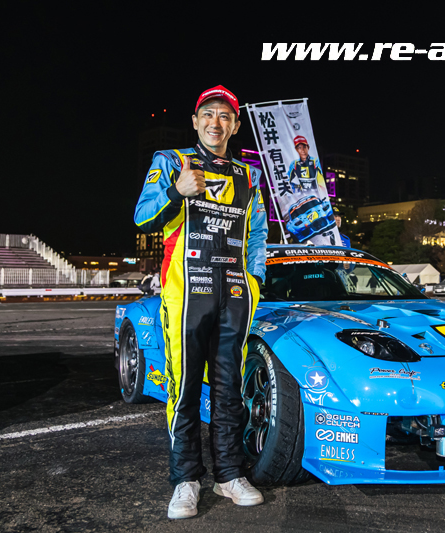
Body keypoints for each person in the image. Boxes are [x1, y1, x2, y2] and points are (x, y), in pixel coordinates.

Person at [134, 85, 268, 519]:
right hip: (186, 293)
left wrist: (255, 280)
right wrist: (176, 191)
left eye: (225, 115)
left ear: (236, 125)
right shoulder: (172, 161)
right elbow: (143, 218)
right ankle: (186, 479)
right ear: (195, 121)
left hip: (235, 295)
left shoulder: (248, 176)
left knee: (230, 389)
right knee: (185, 386)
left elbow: (258, 235)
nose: (216, 122)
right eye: (208, 114)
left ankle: (229, 474)